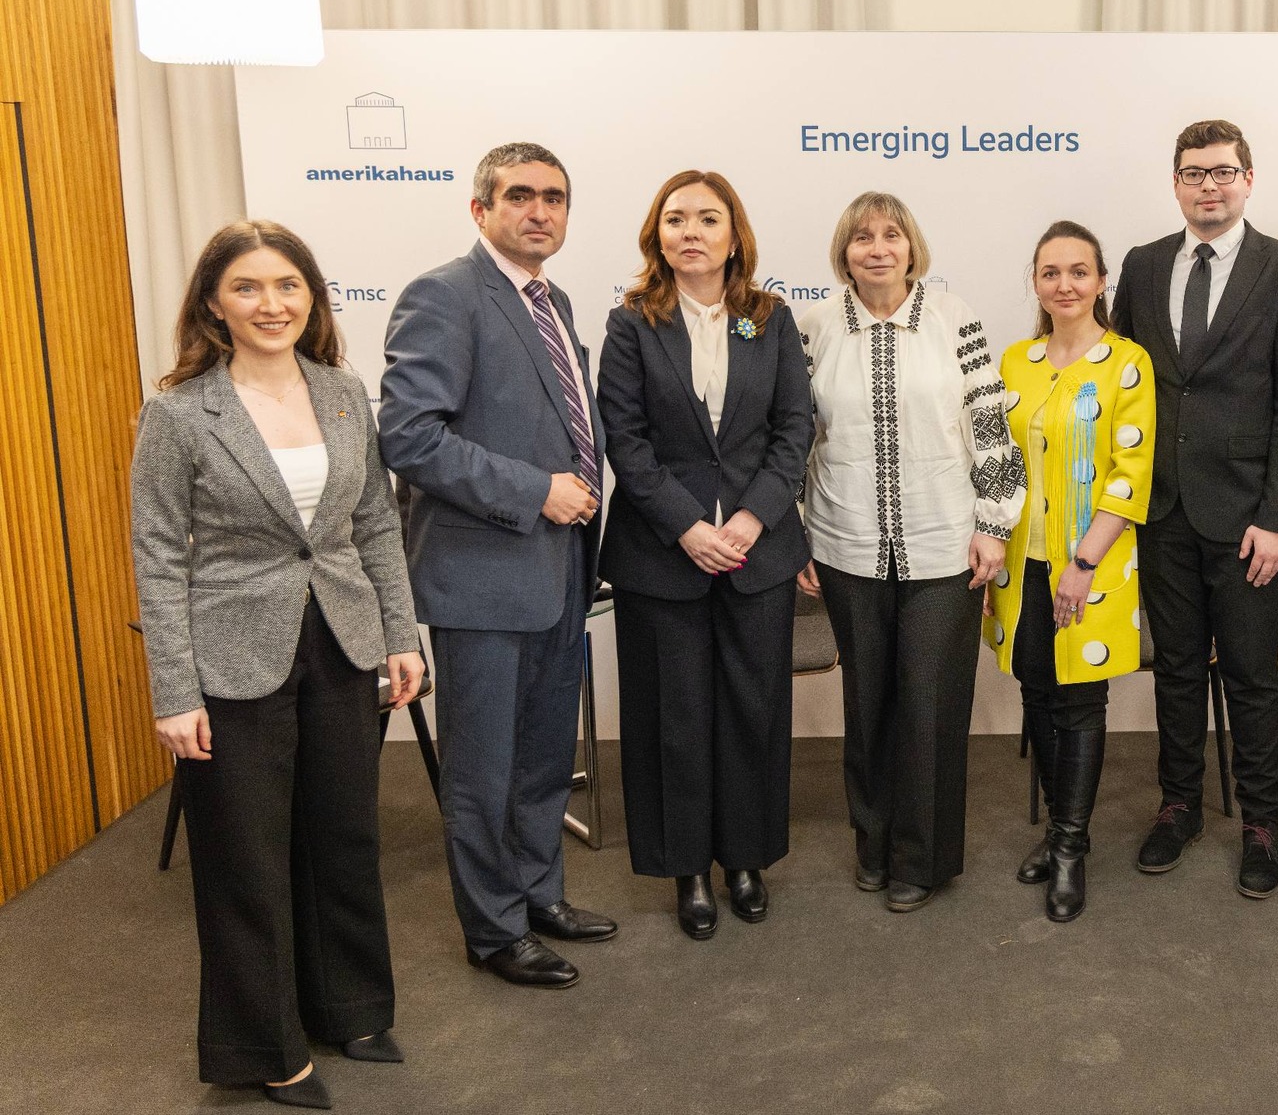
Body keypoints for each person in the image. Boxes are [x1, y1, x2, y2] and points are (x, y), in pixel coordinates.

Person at [131, 221, 423, 1109]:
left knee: (344, 837)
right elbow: (158, 553)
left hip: (341, 640)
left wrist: (401, 633)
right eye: (248, 287)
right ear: (213, 303)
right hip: (230, 656)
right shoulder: (180, 412)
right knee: (246, 861)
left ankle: (353, 1007)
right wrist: (174, 691)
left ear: (312, 296)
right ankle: (265, 1044)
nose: (272, 303)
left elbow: (375, 520)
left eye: (288, 284)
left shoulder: (342, 391)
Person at [380, 143, 616, 989]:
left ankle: (538, 894)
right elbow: (409, 437)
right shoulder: (444, 295)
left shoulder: (553, 300)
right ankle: (493, 930)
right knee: (483, 770)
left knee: (544, 757)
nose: (539, 211)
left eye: (554, 197)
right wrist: (535, 490)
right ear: (480, 209)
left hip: (559, 569)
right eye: (520, 195)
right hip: (482, 575)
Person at [597, 170, 812, 940]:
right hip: (664, 555)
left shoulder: (770, 318)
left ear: (733, 234)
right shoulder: (632, 323)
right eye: (676, 218)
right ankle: (686, 868)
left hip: (759, 552)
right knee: (675, 716)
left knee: (754, 711)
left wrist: (752, 518)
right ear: (657, 235)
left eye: (708, 218)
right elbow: (625, 439)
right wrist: (688, 526)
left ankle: (746, 859)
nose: (691, 231)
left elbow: (794, 429)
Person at [796, 191, 1025, 912]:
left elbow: (989, 422)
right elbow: (794, 436)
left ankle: (920, 860)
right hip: (844, 542)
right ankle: (872, 844)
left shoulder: (955, 318)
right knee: (867, 705)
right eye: (862, 236)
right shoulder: (814, 327)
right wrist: (795, 532)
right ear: (844, 251)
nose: (877, 248)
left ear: (911, 246)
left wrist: (995, 523)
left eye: (891, 234)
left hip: (944, 543)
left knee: (930, 705)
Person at [1111, 118, 1278, 898]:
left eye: (1223, 171)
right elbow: (1122, 382)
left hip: (1247, 521)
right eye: (1195, 173)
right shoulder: (1141, 265)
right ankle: (1179, 805)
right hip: (1161, 509)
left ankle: (1262, 822)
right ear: (1176, 183)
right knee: (1174, 670)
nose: (1210, 185)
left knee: (1250, 675)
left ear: (1248, 180)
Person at [983, 221, 1156, 922]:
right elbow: (994, 461)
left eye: (1079, 271)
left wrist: (1083, 563)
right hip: (1020, 565)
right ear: (1035, 281)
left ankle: (1070, 848)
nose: (1065, 284)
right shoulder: (1014, 362)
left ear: (1101, 281)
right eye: (1051, 272)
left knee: (1079, 699)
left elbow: (1130, 474)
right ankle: (1058, 829)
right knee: (1036, 691)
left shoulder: (1127, 363)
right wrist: (990, 542)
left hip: (1092, 566)